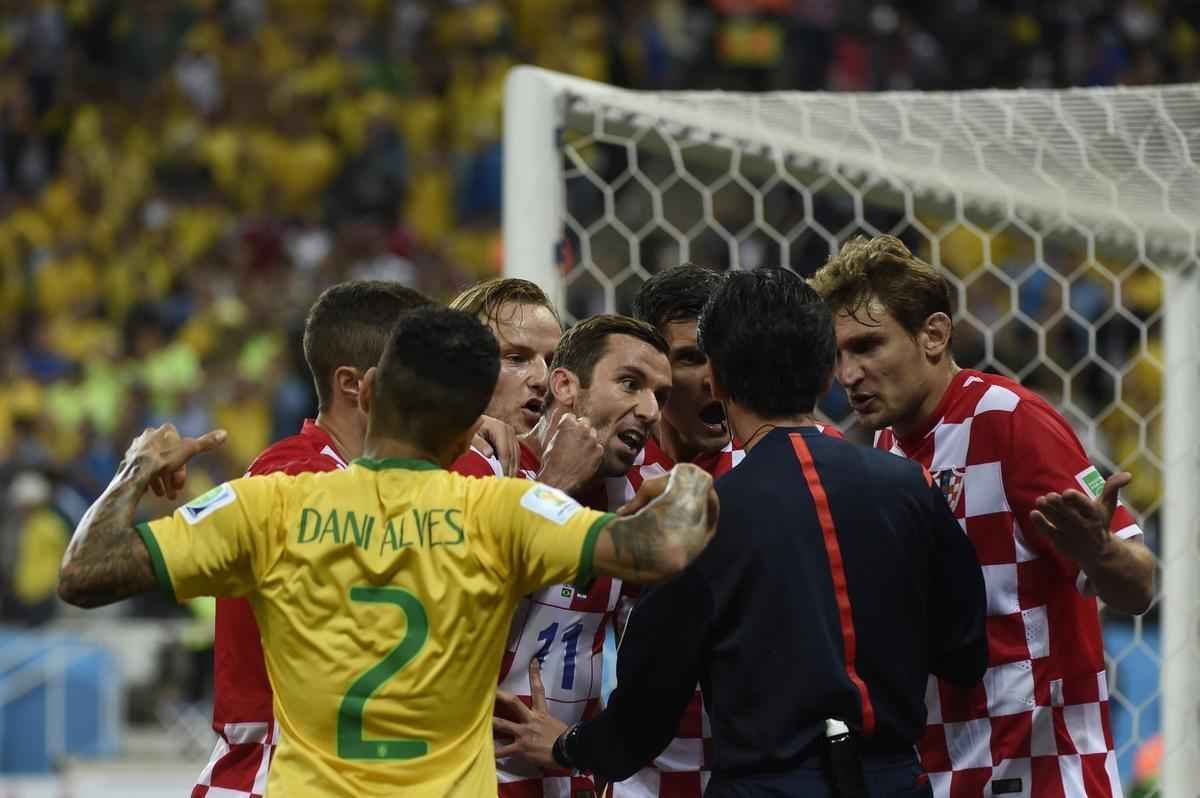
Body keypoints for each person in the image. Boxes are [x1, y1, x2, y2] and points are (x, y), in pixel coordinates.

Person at [57, 307, 719, 797]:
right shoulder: (504, 511)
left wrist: (138, 468)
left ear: (368, 393)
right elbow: (665, 545)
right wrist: (687, 473)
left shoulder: (270, 503)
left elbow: (84, 571)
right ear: (468, 428)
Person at [495, 268, 988, 797]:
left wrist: (568, 746)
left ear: (718, 384)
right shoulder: (909, 485)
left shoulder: (703, 518)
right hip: (894, 781)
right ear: (826, 378)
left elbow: (641, 722)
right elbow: (964, 655)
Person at [810, 235, 1155, 796]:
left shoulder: (1013, 420)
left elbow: (1138, 585)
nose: (848, 374)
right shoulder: (888, 454)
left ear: (934, 335)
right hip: (946, 774)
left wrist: (1100, 549)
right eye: (839, 354)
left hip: (1044, 776)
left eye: (868, 346)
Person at [191, 280, 513, 796]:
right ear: (353, 385)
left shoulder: (379, 477)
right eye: (417, 371)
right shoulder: (292, 478)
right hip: (269, 774)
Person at [456, 313, 672, 797]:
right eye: (630, 383)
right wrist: (557, 490)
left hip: (570, 776)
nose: (650, 409)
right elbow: (453, 606)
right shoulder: (480, 467)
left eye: (661, 395)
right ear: (566, 385)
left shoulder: (632, 497)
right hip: (474, 775)